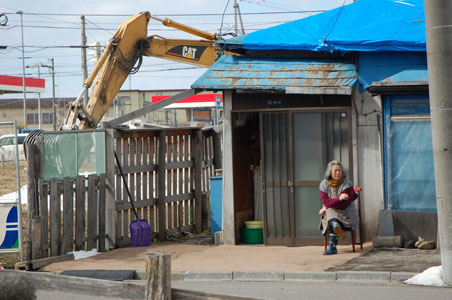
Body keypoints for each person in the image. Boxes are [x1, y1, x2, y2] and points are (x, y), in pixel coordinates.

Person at [319, 160, 359, 255]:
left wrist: (326, 207)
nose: (338, 173)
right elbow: (325, 201)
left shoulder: (347, 184)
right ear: (330, 172)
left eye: (339, 170)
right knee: (331, 213)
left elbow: (344, 204)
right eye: (335, 171)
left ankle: (332, 247)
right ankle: (335, 225)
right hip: (331, 213)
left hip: (346, 214)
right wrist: (339, 198)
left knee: (330, 212)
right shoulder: (324, 184)